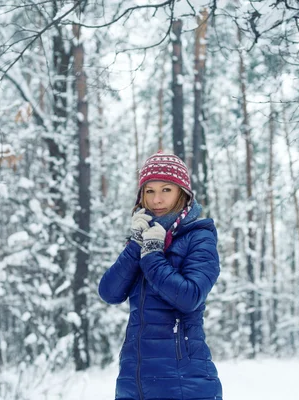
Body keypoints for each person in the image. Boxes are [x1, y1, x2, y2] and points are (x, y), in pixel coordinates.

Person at [98, 152, 223, 400]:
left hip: (185, 382)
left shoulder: (199, 237)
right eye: (149, 191)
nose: (156, 199)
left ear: (182, 193)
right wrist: (136, 245)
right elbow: (109, 292)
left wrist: (153, 255)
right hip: (134, 383)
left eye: (166, 189)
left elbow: (189, 297)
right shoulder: (143, 239)